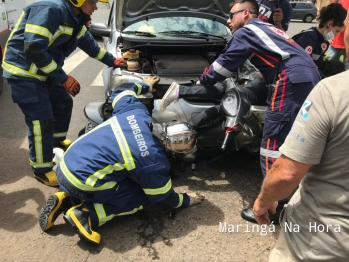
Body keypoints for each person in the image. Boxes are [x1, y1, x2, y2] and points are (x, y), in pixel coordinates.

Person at [160, 0, 321, 224]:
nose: (227, 20)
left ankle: (272, 209)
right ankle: (297, 191)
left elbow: (222, 66)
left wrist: (202, 80)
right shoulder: (266, 27)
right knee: (296, 137)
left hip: (290, 79)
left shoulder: (246, 31)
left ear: (245, 14)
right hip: (309, 77)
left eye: (231, 15)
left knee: (271, 146)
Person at [38, 76, 205, 245]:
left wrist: (145, 86)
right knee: (143, 196)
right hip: (81, 181)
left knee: (117, 168)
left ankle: (66, 198)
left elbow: (121, 90)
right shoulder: (154, 161)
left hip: (65, 164)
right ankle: (86, 214)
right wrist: (186, 200)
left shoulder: (136, 112)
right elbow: (163, 199)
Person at [252, 12, 349, 261]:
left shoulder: (332, 93)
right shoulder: (306, 37)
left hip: (320, 245)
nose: (338, 36)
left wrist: (264, 200)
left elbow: (287, 172)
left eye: (342, 30)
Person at [2, 0, 126, 187]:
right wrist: (63, 78)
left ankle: (55, 142)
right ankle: (41, 168)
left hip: (44, 71)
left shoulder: (76, 18)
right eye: (93, 2)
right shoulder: (51, 10)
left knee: (63, 102)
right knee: (41, 119)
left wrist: (112, 61)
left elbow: (89, 45)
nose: (95, 7)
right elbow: (33, 48)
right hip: (24, 72)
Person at [292, 3, 347, 74]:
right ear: (330, 24)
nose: (336, 36)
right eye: (337, 31)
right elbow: (301, 67)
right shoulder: (307, 38)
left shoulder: (324, 42)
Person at [325, 0, 349, 70]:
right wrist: (328, 35)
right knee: (328, 68)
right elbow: (328, 18)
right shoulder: (337, 1)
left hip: (347, 44)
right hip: (335, 43)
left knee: (347, 72)